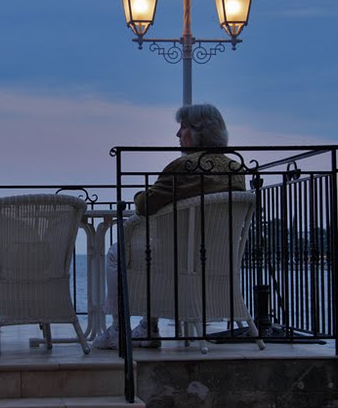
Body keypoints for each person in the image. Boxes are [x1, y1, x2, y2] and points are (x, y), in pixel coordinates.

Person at [93, 103, 246, 350]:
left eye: (183, 128)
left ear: (199, 132)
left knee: (117, 253)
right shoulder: (236, 169)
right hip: (217, 258)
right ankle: (146, 326)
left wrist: (139, 194)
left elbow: (146, 205)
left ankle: (120, 330)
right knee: (155, 251)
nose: (177, 135)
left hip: (179, 259)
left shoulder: (184, 167)